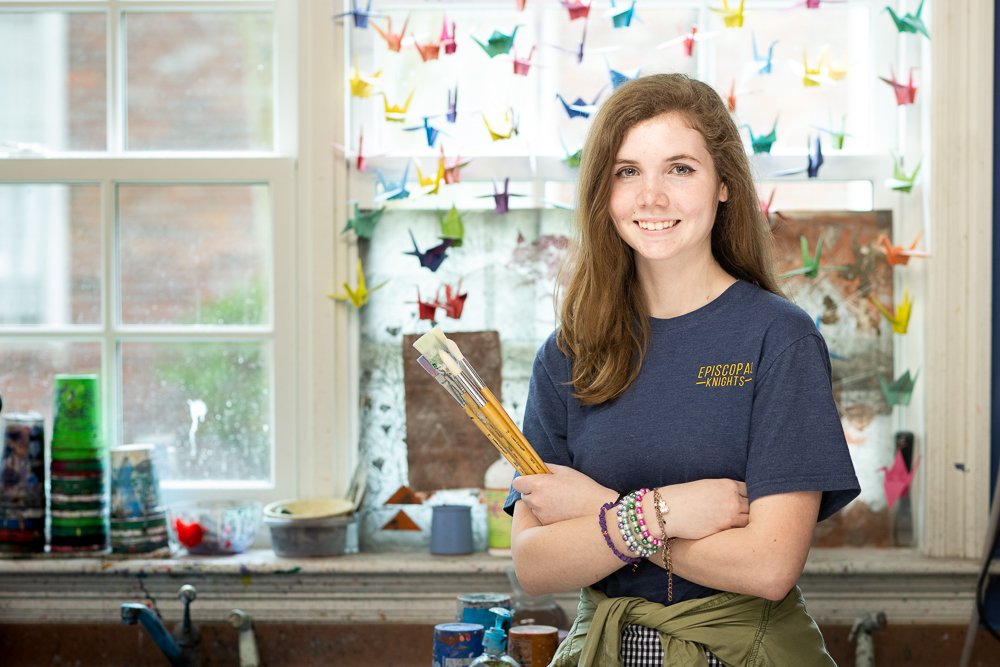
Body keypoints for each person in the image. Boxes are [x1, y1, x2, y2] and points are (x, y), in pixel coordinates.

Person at [504, 73, 860, 666]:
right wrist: (663, 513)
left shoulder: (781, 338)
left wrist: (607, 515)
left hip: (745, 652)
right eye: (627, 172)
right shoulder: (567, 353)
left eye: (680, 168)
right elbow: (535, 564)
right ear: (604, 192)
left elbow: (769, 566)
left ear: (724, 184)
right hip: (606, 649)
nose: (651, 197)